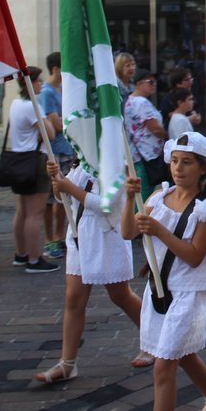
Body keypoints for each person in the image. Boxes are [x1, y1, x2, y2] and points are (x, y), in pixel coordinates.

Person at [121, 133, 206, 411]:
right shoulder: (159, 196)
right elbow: (127, 233)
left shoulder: (205, 209)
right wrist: (129, 198)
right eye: (175, 161)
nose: (178, 168)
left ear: (203, 168)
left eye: (187, 163)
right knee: (182, 355)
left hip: (186, 293)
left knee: (163, 367)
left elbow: (194, 256)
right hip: (158, 289)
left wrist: (160, 231)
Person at [35, 160, 143, 383]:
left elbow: (109, 205)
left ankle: (157, 340)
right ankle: (67, 363)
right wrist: (57, 182)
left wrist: (68, 187)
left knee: (120, 295)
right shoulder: (80, 163)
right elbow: (64, 200)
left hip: (107, 236)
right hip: (80, 235)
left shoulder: (115, 159)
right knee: (74, 299)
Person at [8, 67, 59, 274]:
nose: (41, 84)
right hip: (34, 160)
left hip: (18, 158)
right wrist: (44, 118)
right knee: (35, 213)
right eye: (38, 81)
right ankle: (34, 258)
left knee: (22, 210)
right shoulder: (32, 106)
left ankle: (21, 253)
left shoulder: (14, 103)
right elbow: (51, 133)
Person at [39, 52, 74, 261]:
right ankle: (50, 238)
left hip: (67, 148)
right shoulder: (47, 92)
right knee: (51, 199)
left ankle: (60, 235)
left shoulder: (62, 89)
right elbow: (56, 124)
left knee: (63, 198)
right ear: (55, 68)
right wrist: (65, 121)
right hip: (55, 150)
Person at [125, 69, 169, 202]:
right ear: (139, 83)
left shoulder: (132, 100)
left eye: (155, 81)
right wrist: (168, 135)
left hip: (140, 157)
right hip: (145, 158)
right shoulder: (141, 102)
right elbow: (155, 128)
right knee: (143, 199)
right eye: (150, 82)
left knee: (140, 197)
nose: (154, 84)